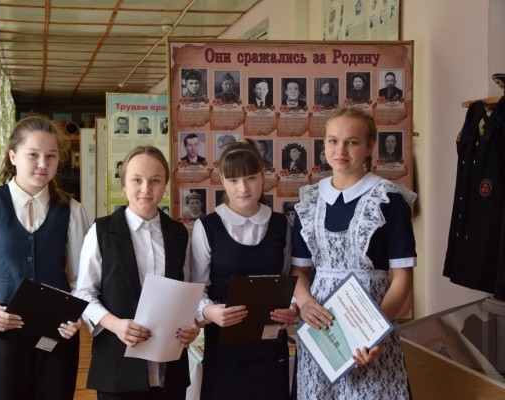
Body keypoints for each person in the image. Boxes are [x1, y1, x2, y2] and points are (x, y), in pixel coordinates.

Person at [0, 116, 90, 399]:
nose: (43, 164)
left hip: (57, 331)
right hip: (2, 329)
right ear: (13, 156)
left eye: (51, 156)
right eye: (33, 155)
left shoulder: (72, 210)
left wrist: (76, 317)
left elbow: (83, 279)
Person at [291, 106, 416, 399]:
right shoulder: (309, 200)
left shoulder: (389, 200)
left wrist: (373, 333)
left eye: (352, 142)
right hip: (321, 333)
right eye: (333, 141)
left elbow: (402, 277)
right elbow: (299, 270)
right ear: (324, 144)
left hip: (371, 334)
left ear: (370, 146)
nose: (341, 151)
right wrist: (305, 302)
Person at [74, 146, 200, 400]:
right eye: (137, 180)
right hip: (117, 367)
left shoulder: (178, 234)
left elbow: (187, 293)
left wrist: (193, 326)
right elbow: (84, 294)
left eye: (155, 180)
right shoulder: (102, 231)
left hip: (170, 367)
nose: (146, 188)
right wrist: (115, 325)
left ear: (165, 185)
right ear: (123, 185)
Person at [191, 139, 297, 400]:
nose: (243, 188)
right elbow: (196, 288)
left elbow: (289, 280)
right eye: (234, 180)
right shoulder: (207, 227)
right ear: (222, 181)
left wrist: (292, 308)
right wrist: (208, 311)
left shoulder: (281, 225)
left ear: (263, 175)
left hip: (271, 348)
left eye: (251, 177)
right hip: (224, 348)